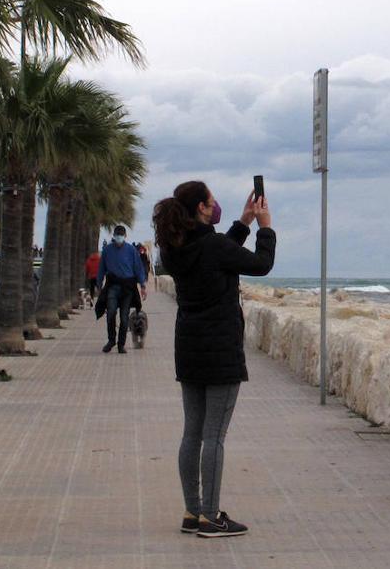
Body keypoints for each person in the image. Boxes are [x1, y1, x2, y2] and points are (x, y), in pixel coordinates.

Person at [152, 181, 274, 538]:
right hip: (220, 348)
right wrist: (265, 227)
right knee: (214, 436)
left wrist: (243, 222)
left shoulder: (174, 247)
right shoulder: (213, 246)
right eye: (211, 200)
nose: (216, 204)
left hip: (189, 345)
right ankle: (211, 516)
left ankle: (193, 511)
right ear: (203, 210)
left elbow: (216, 254)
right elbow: (260, 264)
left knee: (192, 431)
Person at [97, 225, 148, 354]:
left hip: (128, 288)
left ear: (125, 236)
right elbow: (101, 268)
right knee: (111, 313)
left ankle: (121, 344)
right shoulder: (107, 250)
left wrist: (142, 285)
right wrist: (99, 285)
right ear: (114, 236)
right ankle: (111, 340)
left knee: (125, 318)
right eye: (117, 235)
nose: (119, 237)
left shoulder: (131, 250)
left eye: (121, 235)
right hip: (113, 286)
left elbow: (138, 268)